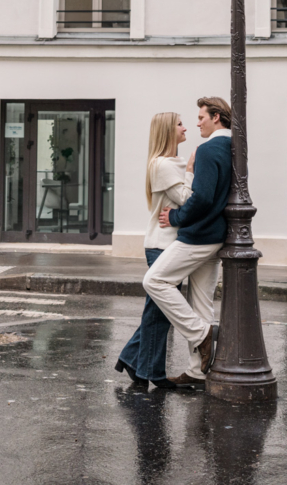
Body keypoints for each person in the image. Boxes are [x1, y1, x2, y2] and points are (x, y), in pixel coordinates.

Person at [141, 96, 233, 387]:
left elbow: (201, 198)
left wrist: (178, 217)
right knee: (202, 303)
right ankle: (197, 373)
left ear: (216, 117)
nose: (196, 123)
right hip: (217, 236)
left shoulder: (208, 148)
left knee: (154, 281)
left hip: (198, 235)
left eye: (201, 117)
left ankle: (200, 334)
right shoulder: (235, 147)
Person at [114, 111, 191, 389]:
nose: (186, 127)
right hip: (162, 245)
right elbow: (186, 199)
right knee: (160, 313)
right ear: (168, 131)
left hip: (168, 245)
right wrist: (193, 172)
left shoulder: (171, 163)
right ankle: (149, 371)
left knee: (158, 311)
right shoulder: (161, 165)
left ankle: (135, 362)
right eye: (180, 123)